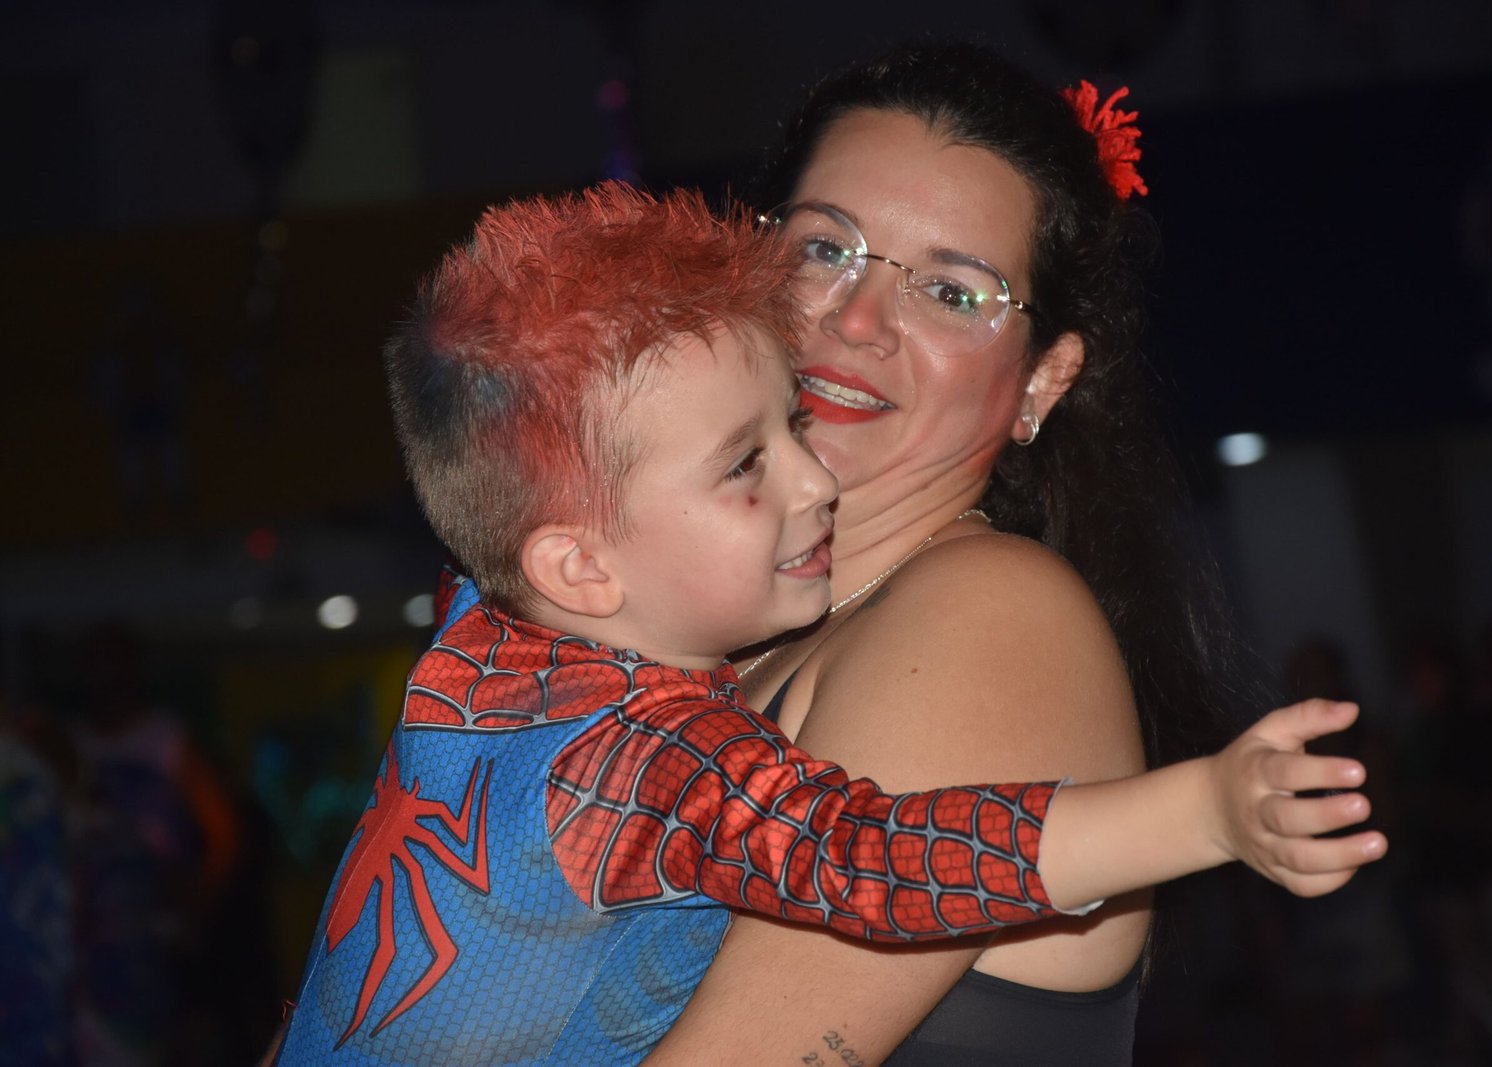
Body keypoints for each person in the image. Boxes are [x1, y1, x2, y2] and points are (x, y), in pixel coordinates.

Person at [272, 182, 1381, 1065]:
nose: (815, 480)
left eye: (793, 426)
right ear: (579, 565)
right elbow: (872, 860)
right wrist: (1205, 810)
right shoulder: (644, 760)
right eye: (744, 465)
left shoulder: (474, 639)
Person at [643, 42, 1348, 1066]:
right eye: (823, 248)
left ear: (1041, 383)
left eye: (953, 292)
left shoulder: (985, 619)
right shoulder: (715, 635)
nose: (858, 318)